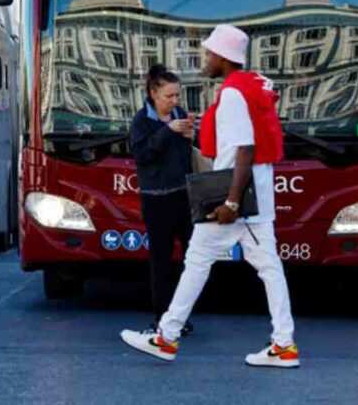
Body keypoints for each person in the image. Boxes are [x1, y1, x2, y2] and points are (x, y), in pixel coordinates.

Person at [121, 24, 299, 368]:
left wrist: (231, 202)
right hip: (255, 194)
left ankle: (166, 337)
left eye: (209, 52)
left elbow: (245, 148)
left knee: (199, 260)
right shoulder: (251, 86)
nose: (205, 57)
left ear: (223, 56)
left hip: (234, 195)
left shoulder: (232, 94)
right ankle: (284, 343)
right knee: (266, 267)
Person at [128, 64, 194, 334]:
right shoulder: (141, 120)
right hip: (156, 198)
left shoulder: (179, 114)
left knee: (193, 257)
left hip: (183, 195)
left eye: (177, 95)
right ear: (153, 94)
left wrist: (191, 135)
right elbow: (141, 154)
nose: (174, 101)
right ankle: (161, 316)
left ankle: (181, 315)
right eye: (169, 96)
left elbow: (188, 153)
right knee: (161, 260)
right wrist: (168, 131)